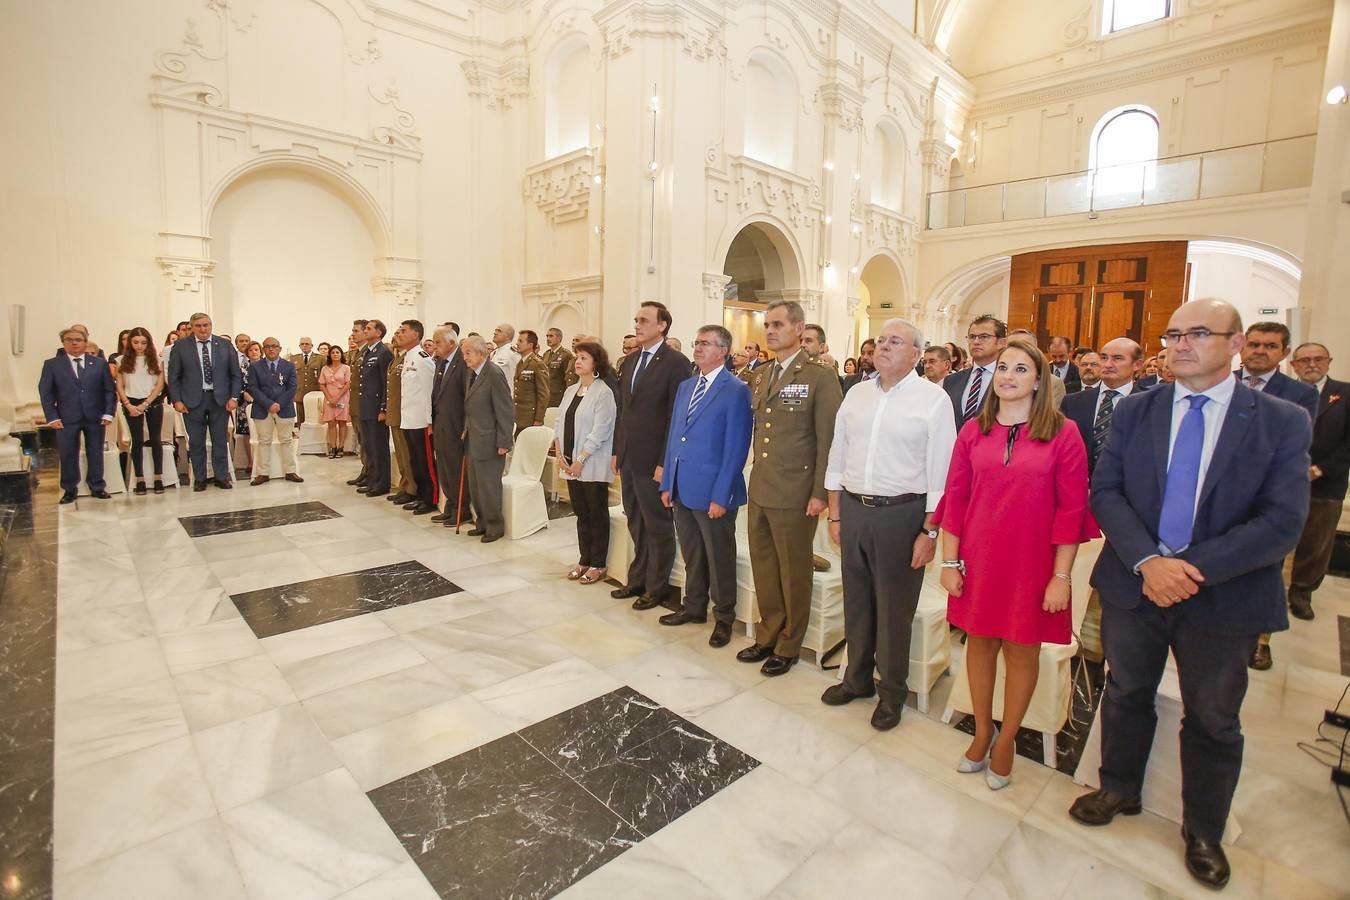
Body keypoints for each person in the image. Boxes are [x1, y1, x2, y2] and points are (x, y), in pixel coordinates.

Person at [1069, 299, 1311, 890]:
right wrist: (1150, 562)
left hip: (1223, 595)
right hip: (1135, 582)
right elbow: (1108, 492)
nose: (1181, 344)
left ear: (1234, 343)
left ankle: (1202, 828)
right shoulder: (1137, 413)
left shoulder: (1279, 419)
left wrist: (1187, 569)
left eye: (1198, 333)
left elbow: (1281, 521)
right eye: (1173, 333)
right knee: (1126, 691)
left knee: (1213, 717)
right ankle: (1118, 788)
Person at [938, 339, 1095, 785]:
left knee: (1022, 649)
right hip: (979, 559)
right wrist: (951, 563)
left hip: (1033, 563)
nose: (1008, 375)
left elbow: (1071, 510)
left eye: (1021, 369)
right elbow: (956, 499)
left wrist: (1061, 577)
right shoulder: (974, 431)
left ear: (1039, 380)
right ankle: (982, 729)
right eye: (1003, 367)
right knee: (981, 643)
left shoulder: (1063, 433)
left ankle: (1007, 738)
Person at [823, 319, 956, 728]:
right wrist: (836, 512)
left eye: (894, 341)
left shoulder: (933, 399)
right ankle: (857, 679)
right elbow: (837, 453)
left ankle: (892, 691)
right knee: (858, 601)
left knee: (894, 609)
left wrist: (929, 530)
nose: (882, 346)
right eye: (880, 340)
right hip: (855, 507)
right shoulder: (857, 393)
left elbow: (942, 472)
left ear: (916, 354)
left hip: (903, 514)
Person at [738, 299, 843, 676]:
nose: (770, 331)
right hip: (763, 484)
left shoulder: (819, 375)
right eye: (767, 325)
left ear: (799, 329)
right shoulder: (764, 373)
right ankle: (768, 632)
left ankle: (788, 643)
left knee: (793, 569)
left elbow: (827, 438)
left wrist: (820, 492)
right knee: (765, 564)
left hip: (797, 489)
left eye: (778, 324)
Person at [658, 325, 753, 647]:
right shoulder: (687, 386)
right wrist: (668, 482)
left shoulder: (736, 389)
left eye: (705, 344)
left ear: (723, 351)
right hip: (683, 486)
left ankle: (723, 617)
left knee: (719, 557)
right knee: (692, 553)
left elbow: (736, 448)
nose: (697, 349)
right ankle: (694, 606)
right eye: (695, 343)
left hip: (713, 491)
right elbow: (674, 437)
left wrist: (721, 495)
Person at [1235, 321, 1318, 670]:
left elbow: (1288, 448)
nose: (1259, 351)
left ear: (1284, 354)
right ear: (1242, 347)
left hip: (1265, 496)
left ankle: (1260, 640)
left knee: (1263, 570)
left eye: (1270, 346)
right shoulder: (1224, 382)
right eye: (1254, 344)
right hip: (1219, 495)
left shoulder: (1299, 394)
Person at [610, 301, 690, 610]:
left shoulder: (676, 363)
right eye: (636, 320)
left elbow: (675, 417)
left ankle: (657, 587)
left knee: (656, 524)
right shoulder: (630, 361)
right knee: (635, 520)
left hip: (653, 459)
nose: (637, 324)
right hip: (629, 456)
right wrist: (618, 450)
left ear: (662, 325)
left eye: (644, 320)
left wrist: (663, 462)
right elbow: (624, 411)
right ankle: (638, 578)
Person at [1287, 342, 1350, 620]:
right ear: (1294, 365)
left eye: (1318, 359)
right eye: (1304, 360)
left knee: (1317, 542)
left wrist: (1320, 468)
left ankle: (1301, 592)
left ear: (1329, 361)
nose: (1312, 364)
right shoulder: (1286, 394)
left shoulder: (1345, 394)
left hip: (1325, 483)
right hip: (1285, 480)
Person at [556, 341, 618, 584]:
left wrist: (581, 459)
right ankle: (584, 559)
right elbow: (560, 422)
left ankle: (598, 563)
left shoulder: (604, 393)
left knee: (596, 513)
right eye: (577, 357)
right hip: (570, 462)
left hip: (591, 464)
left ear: (596, 363)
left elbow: (601, 431)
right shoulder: (570, 390)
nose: (578, 361)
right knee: (581, 513)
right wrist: (560, 453)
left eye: (584, 357)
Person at [39, 328, 117, 503]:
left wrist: (108, 413)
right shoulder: (52, 364)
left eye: (78, 340)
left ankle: (97, 486)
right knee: (68, 453)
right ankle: (69, 489)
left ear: (85, 342)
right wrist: (52, 416)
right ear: (63, 342)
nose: (74, 343)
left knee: (95, 451)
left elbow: (108, 390)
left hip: (95, 416)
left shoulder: (98, 363)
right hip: (66, 417)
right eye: (69, 339)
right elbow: (46, 392)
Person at [167, 313, 242, 491]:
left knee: (219, 440)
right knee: (196, 442)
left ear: (211, 325)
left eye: (206, 325)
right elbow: (174, 376)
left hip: (220, 400)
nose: (203, 329)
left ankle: (221, 476)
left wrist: (234, 397)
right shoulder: (180, 346)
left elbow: (235, 374)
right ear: (192, 327)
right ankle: (200, 478)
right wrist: (176, 400)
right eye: (199, 326)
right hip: (193, 400)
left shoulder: (224, 344)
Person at [1061, 338, 1145, 473]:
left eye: (1117, 358)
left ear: (1137, 364)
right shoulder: (1072, 402)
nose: (1108, 364)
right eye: (1104, 358)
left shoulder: (1148, 404)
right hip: (1081, 485)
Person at [460, 335, 514, 542]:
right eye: (464, 353)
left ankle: (494, 525)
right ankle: (481, 521)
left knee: (489, 485)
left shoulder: (494, 374)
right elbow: (470, 406)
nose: (465, 357)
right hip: (473, 437)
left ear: (482, 353)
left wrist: (504, 442)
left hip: (490, 440)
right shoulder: (470, 374)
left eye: (468, 353)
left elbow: (505, 410)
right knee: (475, 484)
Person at [114, 327, 167, 494]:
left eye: (143, 343)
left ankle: (158, 478)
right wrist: (128, 404)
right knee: (136, 441)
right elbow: (120, 385)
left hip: (152, 401)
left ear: (148, 343)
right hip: (131, 402)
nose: (139, 346)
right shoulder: (121, 360)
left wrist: (146, 403)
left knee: (155, 439)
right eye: (136, 342)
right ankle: (140, 479)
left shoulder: (157, 360)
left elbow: (159, 385)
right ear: (130, 343)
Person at [245, 338, 302, 485]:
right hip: (262, 408)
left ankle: (290, 471)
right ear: (263, 349)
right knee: (264, 441)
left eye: (274, 346)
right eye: (268, 347)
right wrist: (269, 404)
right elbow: (253, 387)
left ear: (280, 348)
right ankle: (263, 473)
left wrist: (279, 403)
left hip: (284, 408)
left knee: (287, 440)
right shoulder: (255, 367)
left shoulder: (289, 366)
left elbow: (292, 387)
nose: (271, 349)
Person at [430, 326, 472, 527]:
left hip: (455, 425)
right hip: (440, 423)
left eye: (438, 342)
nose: (434, 346)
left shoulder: (462, 362)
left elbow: (467, 397)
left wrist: (465, 426)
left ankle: (461, 510)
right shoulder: (441, 362)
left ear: (451, 343)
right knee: (444, 468)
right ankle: (450, 507)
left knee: (455, 469)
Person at [397, 320, 437, 514]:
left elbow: (430, 391)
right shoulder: (408, 357)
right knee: (414, 460)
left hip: (421, 420)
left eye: (403, 331)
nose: (399, 334)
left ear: (416, 335)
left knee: (424, 461)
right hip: (409, 418)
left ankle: (429, 499)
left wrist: (430, 420)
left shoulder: (423, 359)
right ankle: (420, 495)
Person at [944, 315, 1006, 432]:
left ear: (1001, 342)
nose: (976, 342)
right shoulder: (952, 380)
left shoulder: (1007, 380)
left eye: (984, 337)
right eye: (972, 337)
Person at [356, 320, 394, 497]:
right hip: (366, 406)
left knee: (379, 446)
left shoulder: (383, 352)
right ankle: (372, 479)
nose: (365, 330)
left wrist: (384, 409)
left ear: (379, 333)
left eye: (369, 328)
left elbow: (386, 383)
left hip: (376, 408)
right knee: (369, 445)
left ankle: (381, 483)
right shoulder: (368, 352)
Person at [384, 323, 418, 504]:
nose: (397, 336)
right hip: (395, 413)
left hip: (406, 414)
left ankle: (412, 488)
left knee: (407, 453)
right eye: (396, 333)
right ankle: (405, 484)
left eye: (401, 332)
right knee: (401, 453)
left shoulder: (414, 358)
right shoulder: (397, 359)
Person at [512, 329, 549, 435]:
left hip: (530, 417)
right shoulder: (520, 363)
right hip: (518, 416)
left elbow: (543, 394)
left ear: (530, 345)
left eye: (520, 341)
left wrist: (539, 419)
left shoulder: (537, 364)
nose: (517, 343)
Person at [346, 320, 370, 482]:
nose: (353, 334)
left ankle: (370, 471)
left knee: (368, 441)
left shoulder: (370, 352)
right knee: (362, 440)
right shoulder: (356, 353)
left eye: (356, 331)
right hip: (355, 404)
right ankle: (366, 469)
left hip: (366, 405)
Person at [318, 343, 351, 458]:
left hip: (342, 397)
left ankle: (341, 446)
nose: (335, 354)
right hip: (329, 398)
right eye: (333, 352)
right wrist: (330, 398)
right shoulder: (325, 368)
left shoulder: (346, 368)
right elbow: (322, 384)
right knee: (331, 423)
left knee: (342, 422)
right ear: (329, 355)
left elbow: (348, 384)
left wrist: (337, 398)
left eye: (337, 352)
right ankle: (333, 447)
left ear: (341, 354)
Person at [290, 336, 322, 426]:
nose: (305, 346)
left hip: (315, 393)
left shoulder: (320, 358)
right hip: (300, 393)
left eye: (307, 344)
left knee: (315, 419)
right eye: (302, 344)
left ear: (312, 345)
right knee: (301, 420)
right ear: (299, 346)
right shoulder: (293, 359)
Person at [541, 327, 574, 408]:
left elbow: (569, 377)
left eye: (551, 336)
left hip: (558, 396)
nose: (548, 338)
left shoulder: (566, 355)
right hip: (545, 395)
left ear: (559, 338)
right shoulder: (546, 354)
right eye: (547, 336)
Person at [490, 323, 521, 395]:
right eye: (495, 330)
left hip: (506, 396)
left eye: (499, 331)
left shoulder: (512, 354)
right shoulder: (493, 353)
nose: (495, 333)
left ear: (507, 336)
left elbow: (517, 379)